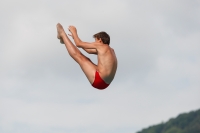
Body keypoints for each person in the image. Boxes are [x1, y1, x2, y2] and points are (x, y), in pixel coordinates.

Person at [56, 23, 117, 90]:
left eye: (95, 41)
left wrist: (74, 31)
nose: (94, 43)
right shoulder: (111, 51)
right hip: (106, 83)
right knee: (86, 60)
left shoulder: (101, 46)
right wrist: (74, 38)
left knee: (79, 57)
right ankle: (66, 41)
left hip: (99, 80)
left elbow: (78, 44)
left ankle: (62, 34)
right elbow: (89, 50)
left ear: (100, 40)